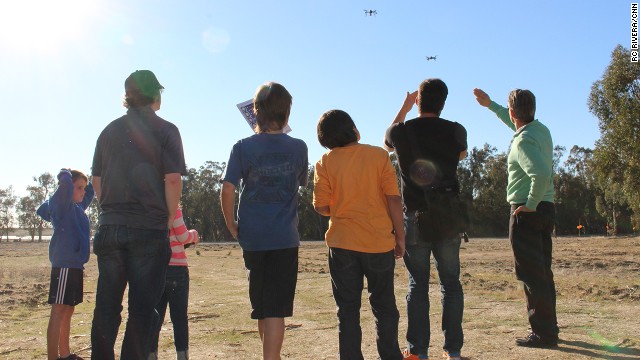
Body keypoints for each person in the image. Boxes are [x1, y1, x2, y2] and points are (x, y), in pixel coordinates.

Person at [91, 70, 187, 360]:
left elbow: (97, 182)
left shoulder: (107, 131)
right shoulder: (167, 130)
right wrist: (169, 218)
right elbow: (172, 179)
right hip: (148, 229)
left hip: (110, 227)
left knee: (106, 307)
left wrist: (112, 211)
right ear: (156, 95)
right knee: (142, 311)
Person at [220, 82, 308, 360]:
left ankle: (272, 356)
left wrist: (231, 225)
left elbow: (227, 188)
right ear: (287, 112)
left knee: (264, 307)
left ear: (255, 111)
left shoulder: (242, 147)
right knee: (273, 309)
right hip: (284, 238)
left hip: (254, 238)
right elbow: (299, 182)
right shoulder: (299, 147)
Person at [384, 79, 467, 360]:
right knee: (451, 284)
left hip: (415, 215)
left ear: (418, 101)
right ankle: (453, 350)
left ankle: (418, 351)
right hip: (448, 215)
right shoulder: (456, 130)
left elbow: (386, 143)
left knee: (417, 284)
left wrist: (404, 107)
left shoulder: (402, 131)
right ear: (443, 102)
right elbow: (462, 154)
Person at [313, 109, 405, 360]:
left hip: (342, 243)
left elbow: (321, 207)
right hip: (378, 242)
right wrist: (400, 236)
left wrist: (342, 205)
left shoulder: (325, 162)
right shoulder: (378, 156)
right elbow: (394, 199)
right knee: (385, 307)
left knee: (347, 310)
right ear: (353, 129)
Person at [473, 87, 559, 348]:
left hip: (527, 210)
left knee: (531, 276)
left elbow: (540, 174)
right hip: (546, 209)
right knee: (543, 273)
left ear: (513, 113)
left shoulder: (522, 141)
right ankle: (549, 328)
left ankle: (542, 334)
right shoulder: (540, 131)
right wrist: (491, 105)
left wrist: (529, 204)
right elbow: (517, 124)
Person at [37, 169, 94, 360]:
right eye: (79, 188)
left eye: (83, 188)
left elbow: (91, 192)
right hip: (64, 266)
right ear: (67, 189)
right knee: (59, 309)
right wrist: (65, 176)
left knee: (68, 309)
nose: (82, 192)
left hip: (76, 267)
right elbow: (66, 187)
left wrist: (97, 175)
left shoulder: (78, 209)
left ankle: (65, 354)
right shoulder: (61, 206)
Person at [148, 207, 199, 360]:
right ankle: (182, 356)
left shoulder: (149, 208)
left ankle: (151, 354)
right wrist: (194, 235)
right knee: (179, 318)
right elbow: (183, 237)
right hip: (177, 269)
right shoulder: (173, 208)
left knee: (156, 316)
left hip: (156, 268)